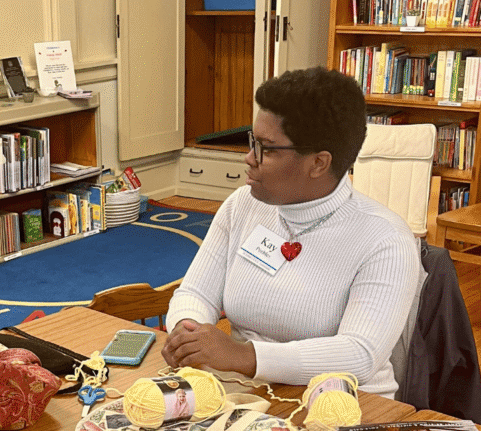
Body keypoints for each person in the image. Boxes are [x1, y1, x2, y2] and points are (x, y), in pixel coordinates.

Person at [162, 67, 422, 399]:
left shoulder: (386, 239)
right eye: (252, 141)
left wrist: (246, 356)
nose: (249, 157)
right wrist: (188, 333)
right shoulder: (242, 205)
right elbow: (195, 293)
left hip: (345, 406)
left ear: (318, 163)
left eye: (266, 149)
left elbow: (359, 356)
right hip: (247, 393)